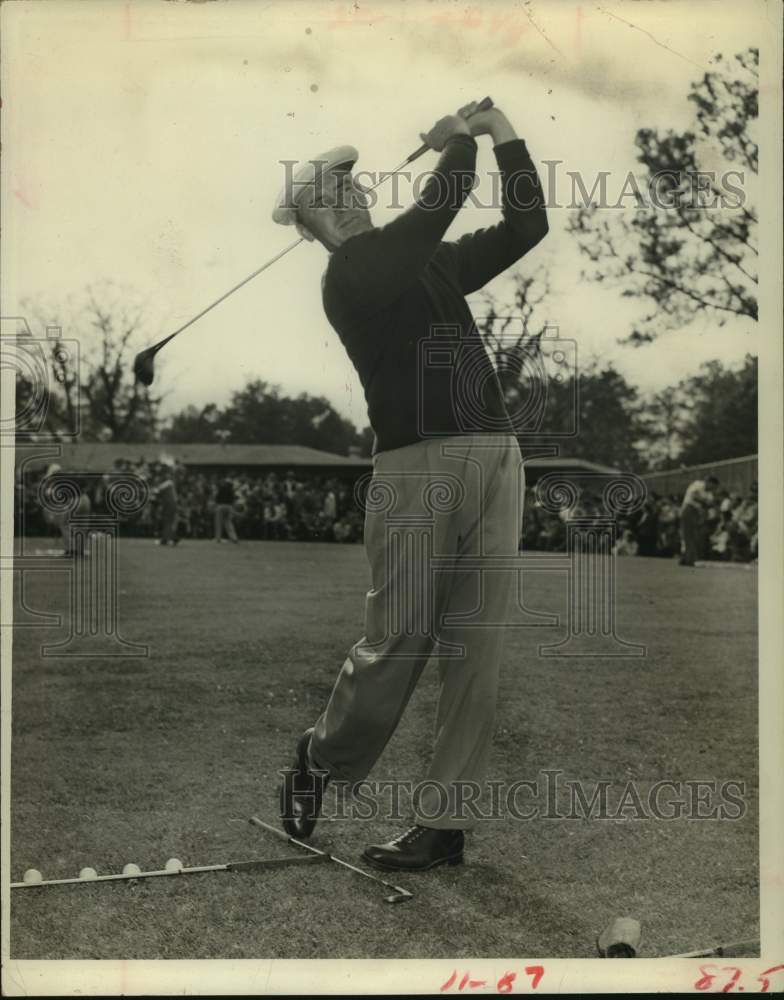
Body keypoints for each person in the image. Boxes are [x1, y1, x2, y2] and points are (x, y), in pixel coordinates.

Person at [273, 100, 548, 870]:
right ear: (311, 227)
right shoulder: (351, 274)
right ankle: (319, 756)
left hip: (494, 454)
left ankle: (445, 823)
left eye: (351, 188)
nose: (348, 199)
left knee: (477, 645)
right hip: (411, 470)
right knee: (397, 643)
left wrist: (503, 134)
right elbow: (442, 199)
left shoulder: (423, 260)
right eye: (328, 198)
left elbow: (528, 229)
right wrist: (457, 141)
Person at [678, 475, 719, 567]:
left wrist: (710, 505)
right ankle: (689, 558)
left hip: (698, 513)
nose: (713, 489)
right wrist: (706, 502)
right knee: (688, 535)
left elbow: (710, 504)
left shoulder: (709, 493)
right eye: (713, 487)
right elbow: (695, 496)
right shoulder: (698, 484)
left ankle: (687, 557)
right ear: (709, 482)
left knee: (696, 535)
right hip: (689, 509)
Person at [214, 476, 239, 543]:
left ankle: (218, 539)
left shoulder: (221, 489)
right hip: (229, 506)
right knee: (228, 522)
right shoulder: (231, 490)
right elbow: (233, 500)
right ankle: (234, 538)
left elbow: (217, 498)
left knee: (219, 523)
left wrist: (216, 504)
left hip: (221, 506)